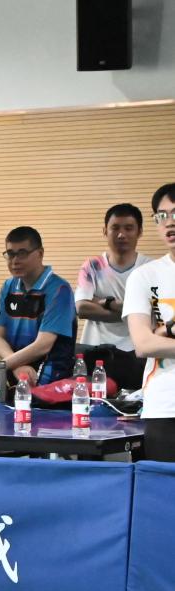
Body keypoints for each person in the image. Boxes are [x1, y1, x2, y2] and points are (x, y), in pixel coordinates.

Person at [124, 182, 175, 461]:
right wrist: (157, 335)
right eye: (161, 216)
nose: (169, 223)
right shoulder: (145, 276)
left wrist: (164, 332)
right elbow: (143, 344)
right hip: (165, 406)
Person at [76, 203, 151, 389]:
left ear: (140, 232)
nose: (121, 234)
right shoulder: (92, 266)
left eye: (129, 228)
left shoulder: (150, 269)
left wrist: (103, 302)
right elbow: (81, 308)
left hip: (136, 354)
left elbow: (152, 315)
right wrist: (129, 311)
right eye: (115, 228)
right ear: (105, 231)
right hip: (95, 353)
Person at [0, 226, 76, 385]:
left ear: (40, 254)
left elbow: (43, 345)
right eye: (10, 254)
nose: (15, 261)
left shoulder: (59, 290)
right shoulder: (8, 286)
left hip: (50, 377)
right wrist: (15, 366)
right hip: (16, 370)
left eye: (22, 253)